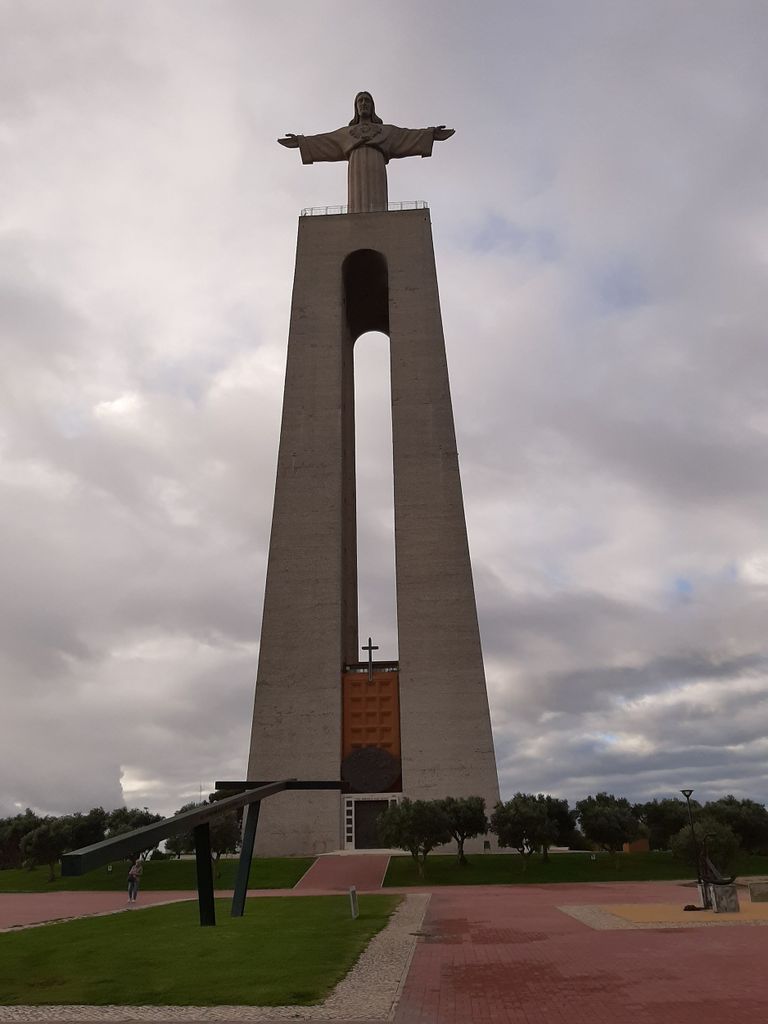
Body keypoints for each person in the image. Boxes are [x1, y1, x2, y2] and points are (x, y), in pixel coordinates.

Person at [278, 91, 454, 213]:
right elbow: (324, 141)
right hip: (355, 165)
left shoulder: (386, 131)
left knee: (377, 209)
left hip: (377, 164)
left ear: (373, 106)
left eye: (367, 101)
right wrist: (301, 142)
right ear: (356, 106)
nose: (363, 104)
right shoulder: (345, 134)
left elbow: (407, 135)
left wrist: (430, 134)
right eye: (360, 101)